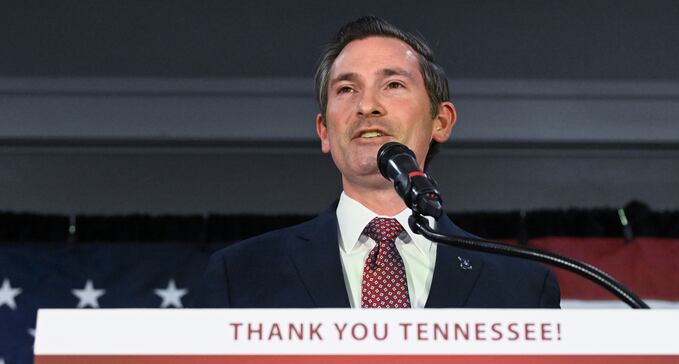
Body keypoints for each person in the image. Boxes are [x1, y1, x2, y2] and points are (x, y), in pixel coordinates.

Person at [202, 16, 560, 308]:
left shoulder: (523, 286)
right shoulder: (240, 274)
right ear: (324, 131)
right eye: (346, 89)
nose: (367, 105)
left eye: (392, 85)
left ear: (441, 121)